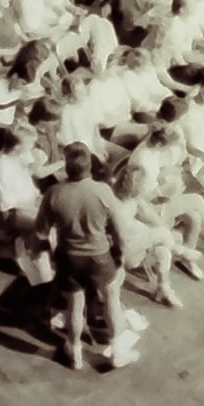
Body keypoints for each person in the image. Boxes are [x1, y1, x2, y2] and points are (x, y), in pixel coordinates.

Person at [39, 144, 134, 371]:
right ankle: (119, 351)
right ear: (90, 167)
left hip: (69, 257)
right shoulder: (102, 191)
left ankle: (75, 351)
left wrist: (51, 256)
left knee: (74, 306)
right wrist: (120, 259)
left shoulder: (54, 193)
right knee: (111, 297)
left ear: (66, 168)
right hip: (98, 256)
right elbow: (121, 233)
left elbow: (41, 232)